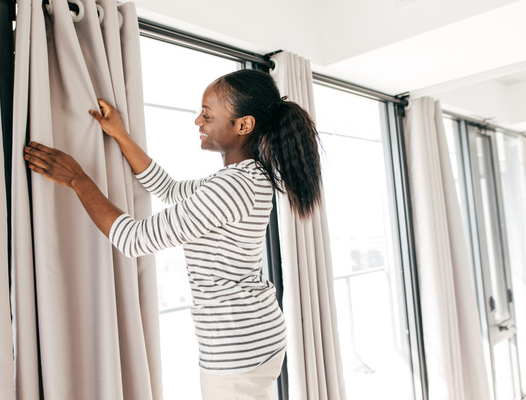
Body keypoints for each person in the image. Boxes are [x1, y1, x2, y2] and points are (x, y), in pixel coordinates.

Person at [23, 69, 322, 399]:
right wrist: (121, 136)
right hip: (252, 337)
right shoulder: (247, 177)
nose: (198, 121)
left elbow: (135, 240)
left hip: (236, 350)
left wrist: (77, 179)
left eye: (207, 114)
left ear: (243, 125)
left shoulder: (234, 186)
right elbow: (168, 188)